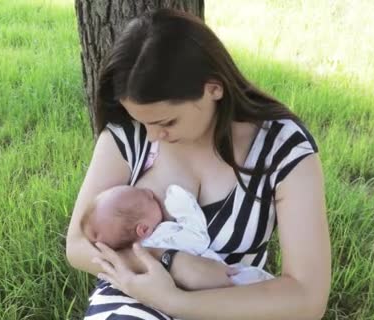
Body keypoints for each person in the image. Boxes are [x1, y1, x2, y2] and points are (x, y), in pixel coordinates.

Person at [65, 8, 331, 320]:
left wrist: (177, 302)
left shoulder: (282, 150)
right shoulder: (128, 136)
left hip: (232, 304)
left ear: (213, 88)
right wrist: (168, 260)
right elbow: (79, 245)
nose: (153, 136)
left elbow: (307, 296)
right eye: (142, 121)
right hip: (134, 296)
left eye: (167, 121)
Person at [81, 184, 275, 286]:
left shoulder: (135, 259)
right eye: (145, 197)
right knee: (258, 284)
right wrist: (179, 200)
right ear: (143, 229)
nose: (150, 192)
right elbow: (198, 237)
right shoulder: (166, 234)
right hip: (223, 282)